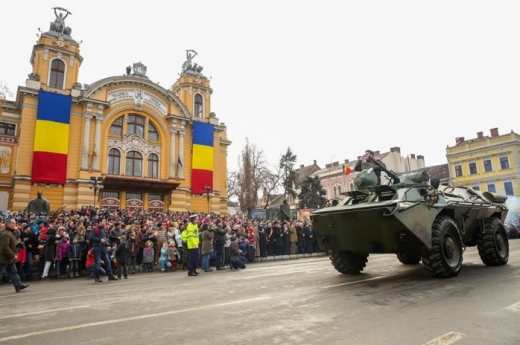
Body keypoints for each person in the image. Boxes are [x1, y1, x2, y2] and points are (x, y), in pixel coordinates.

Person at [0, 218, 29, 292]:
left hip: (9, 259)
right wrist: (12, 255)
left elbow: (12, 244)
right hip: (4, 258)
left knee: (13, 272)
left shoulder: (11, 233)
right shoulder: (6, 234)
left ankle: (18, 286)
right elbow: (4, 246)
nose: (15, 224)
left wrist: (18, 246)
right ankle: (18, 285)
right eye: (13, 223)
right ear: (9, 224)